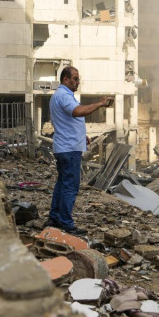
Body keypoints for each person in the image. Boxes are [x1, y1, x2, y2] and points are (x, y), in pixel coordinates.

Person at [44, 66, 112, 234]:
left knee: (62, 183)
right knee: (70, 186)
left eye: (78, 79)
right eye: (74, 78)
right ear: (65, 80)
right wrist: (100, 103)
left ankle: (55, 217)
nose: (77, 82)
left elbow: (68, 121)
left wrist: (83, 135)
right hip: (69, 148)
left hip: (64, 146)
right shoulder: (64, 95)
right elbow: (77, 112)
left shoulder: (60, 96)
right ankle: (66, 223)